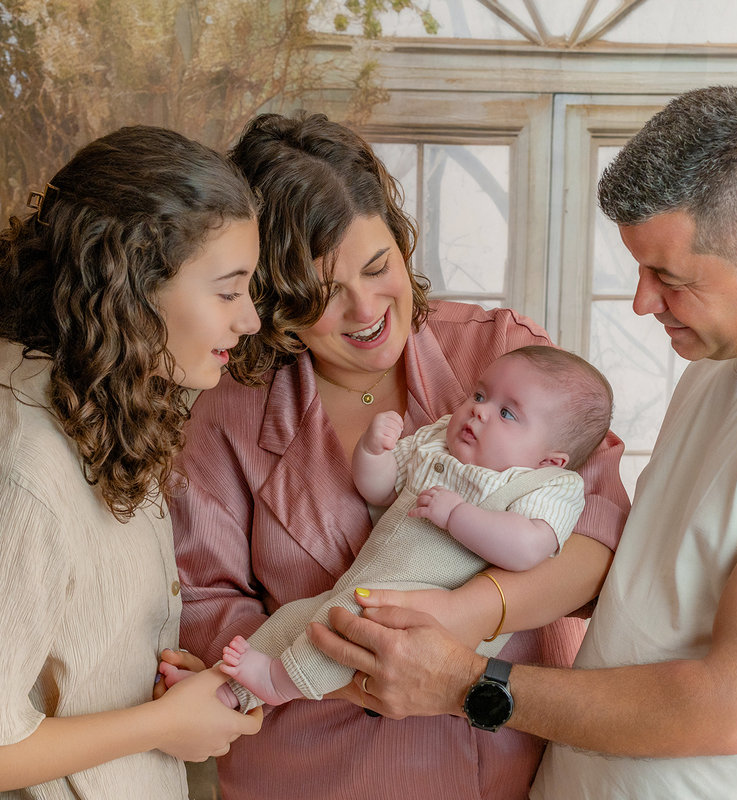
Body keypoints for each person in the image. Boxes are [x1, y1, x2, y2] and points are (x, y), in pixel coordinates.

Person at [308, 85, 737, 799]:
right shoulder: (723, 363)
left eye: (670, 279)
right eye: (640, 269)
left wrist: (466, 683)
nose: (641, 302)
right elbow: (648, 596)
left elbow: (724, 708)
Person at [165, 111, 631, 800]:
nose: (365, 309)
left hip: (499, 772)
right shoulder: (228, 412)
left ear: (401, 242)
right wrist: (362, 671)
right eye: (326, 293)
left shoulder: (505, 353)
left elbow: (599, 535)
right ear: (273, 299)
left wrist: (467, 620)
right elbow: (206, 602)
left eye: (378, 267)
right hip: (312, 774)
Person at [0, 126, 264, 799]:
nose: (250, 319)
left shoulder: (95, 417)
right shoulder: (24, 467)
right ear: (131, 285)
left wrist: (159, 692)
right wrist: (160, 725)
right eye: (228, 292)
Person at [164, 345, 612, 711]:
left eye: (508, 414)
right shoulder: (438, 440)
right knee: (295, 618)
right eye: (479, 396)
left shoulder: (547, 485)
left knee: (343, 627)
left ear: (550, 459)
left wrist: (458, 516)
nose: (479, 412)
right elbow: (378, 489)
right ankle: (224, 690)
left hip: (427, 606)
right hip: (368, 582)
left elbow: (528, 548)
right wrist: (373, 452)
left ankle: (277, 683)